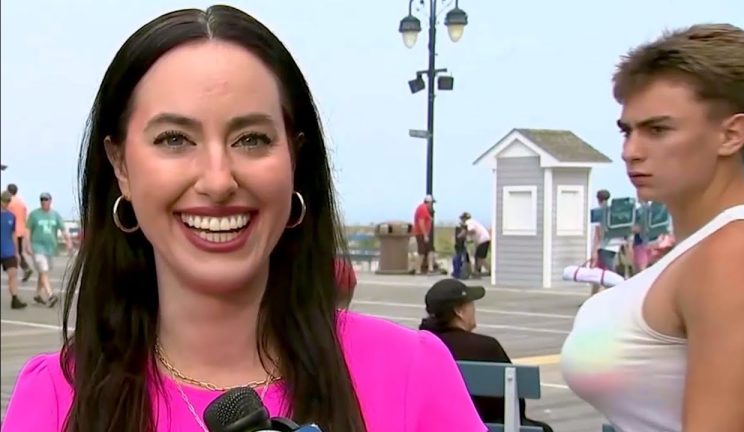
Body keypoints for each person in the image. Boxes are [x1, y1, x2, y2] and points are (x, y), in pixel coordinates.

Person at [2, 6, 484, 432]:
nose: (218, 181)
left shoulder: (412, 375)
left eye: (251, 139)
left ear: (295, 156)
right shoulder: (55, 399)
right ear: (121, 166)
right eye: (174, 139)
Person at [561, 23, 744, 432]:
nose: (630, 152)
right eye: (627, 131)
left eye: (658, 130)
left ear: (731, 134)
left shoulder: (736, 252)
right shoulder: (707, 248)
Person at [419, 279, 554, 432]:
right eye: (470, 304)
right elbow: (514, 406)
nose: (474, 309)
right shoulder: (486, 347)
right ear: (460, 311)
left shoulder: (419, 346)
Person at [25, 192, 70, 308]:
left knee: (43, 271)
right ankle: (50, 295)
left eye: (46, 200)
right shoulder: (34, 215)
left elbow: (63, 230)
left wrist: (68, 242)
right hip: (37, 247)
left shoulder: (55, 215)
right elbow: (28, 230)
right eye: (42, 200)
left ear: (50, 201)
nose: (44, 202)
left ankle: (37, 295)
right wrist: (28, 245)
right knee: (43, 269)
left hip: (50, 248)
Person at [1, 191, 28, 309]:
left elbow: (13, 234)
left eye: (8, 201)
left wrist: (17, 252)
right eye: (4, 200)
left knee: (13, 274)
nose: (6, 203)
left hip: (8, 251)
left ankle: (15, 299)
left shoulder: (11, 216)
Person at [6, 183, 34, 282]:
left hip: (11, 231)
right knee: (18, 252)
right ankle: (26, 268)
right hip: (21, 231)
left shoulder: (8, 202)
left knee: (9, 252)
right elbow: (25, 218)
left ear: (8, 191)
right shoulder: (22, 203)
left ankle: (19, 270)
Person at [413, 195, 436, 274]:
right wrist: (425, 235)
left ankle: (430, 268)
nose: (432, 205)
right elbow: (421, 222)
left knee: (430, 250)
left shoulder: (424, 209)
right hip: (421, 233)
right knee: (421, 252)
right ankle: (418, 269)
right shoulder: (422, 209)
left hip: (424, 233)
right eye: (432, 203)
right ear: (429, 202)